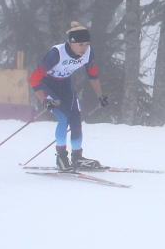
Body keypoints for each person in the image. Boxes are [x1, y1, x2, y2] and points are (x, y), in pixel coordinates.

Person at [28, 22, 109, 171]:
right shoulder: (56, 54)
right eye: (80, 45)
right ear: (71, 43)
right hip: (48, 86)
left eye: (87, 44)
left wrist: (100, 96)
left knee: (76, 119)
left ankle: (77, 157)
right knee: (63, 119)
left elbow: (93, 75)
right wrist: (44, 100)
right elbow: (34, 79)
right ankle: (61, 157)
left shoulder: (89, 53)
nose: (84, 49)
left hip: (65, 85)